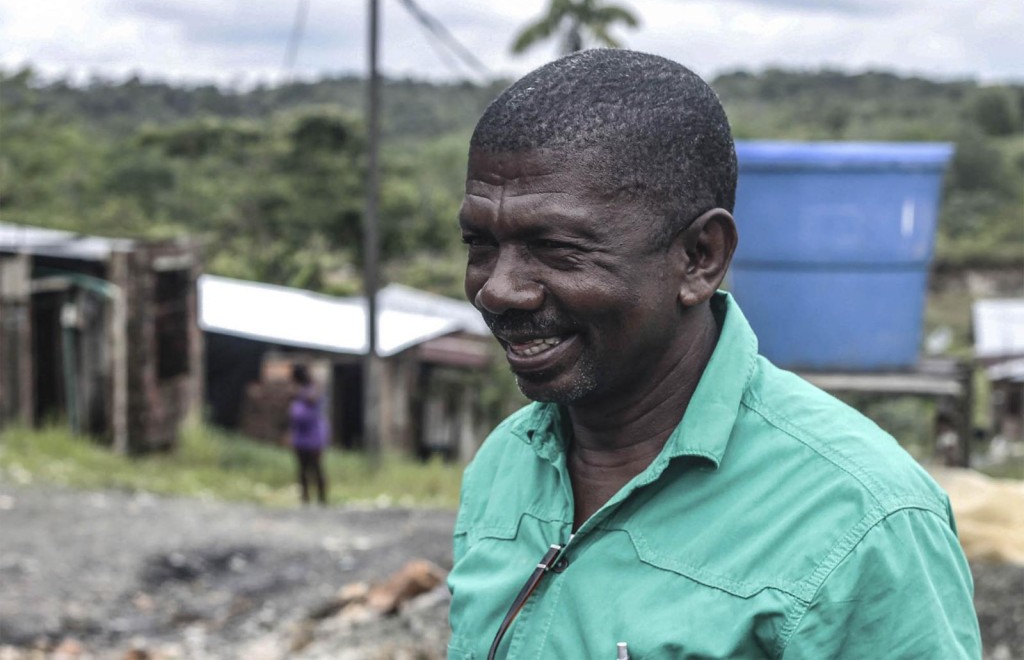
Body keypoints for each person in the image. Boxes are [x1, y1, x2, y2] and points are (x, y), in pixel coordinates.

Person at [447, 50, 981, 659]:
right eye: (480, 245)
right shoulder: (505, 464)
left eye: (556, 248)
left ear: (701, 257)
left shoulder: (863, 520)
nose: (497, 290)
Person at [288, 363, 328, 505]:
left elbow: (313, 398)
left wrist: (300, 391)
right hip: (300, 435)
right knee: (302, 468)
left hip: (314, 435)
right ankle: (305, 499)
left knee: (316, 467)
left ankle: (322, 499)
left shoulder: (311, 390)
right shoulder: (295, 391)